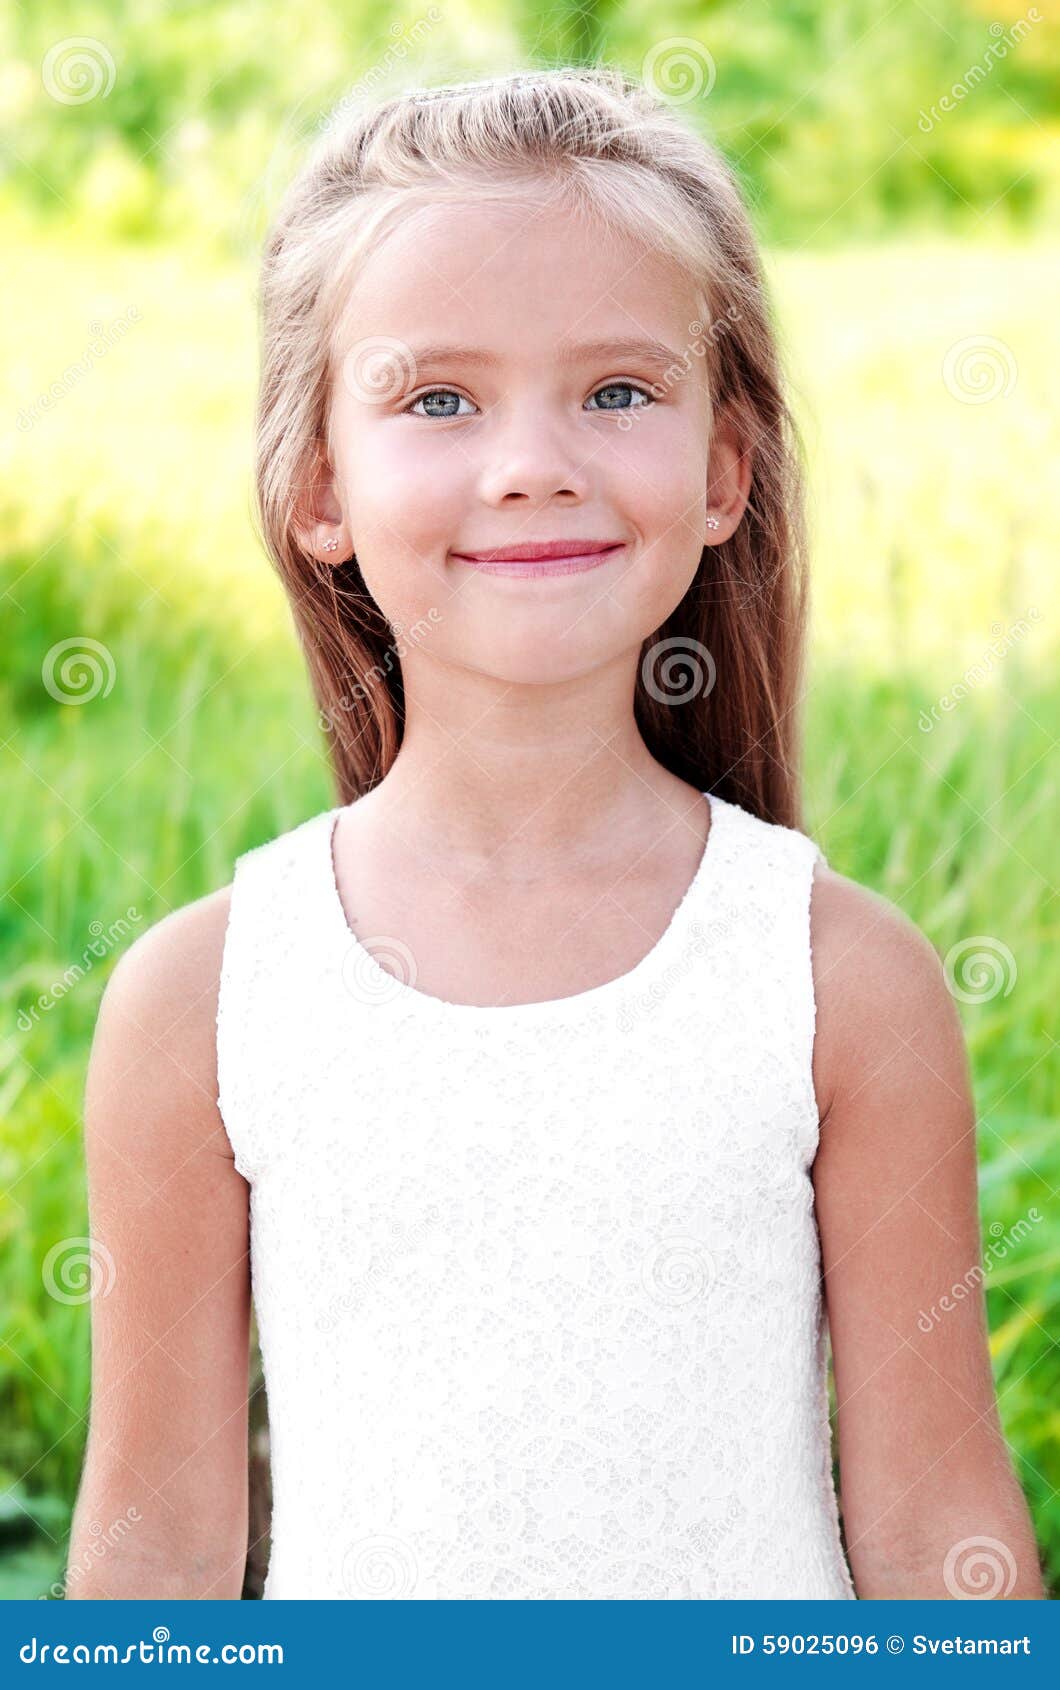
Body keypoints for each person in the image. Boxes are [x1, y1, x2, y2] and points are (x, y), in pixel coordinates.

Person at [66, 67, 1044, 1600]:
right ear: (320, 484)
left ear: (725, 471)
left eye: (618, 390)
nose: (533, 459)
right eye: (438, 398)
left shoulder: (843, 980)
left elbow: (942, 1550)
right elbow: (156, 1567)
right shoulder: (200, 1001)